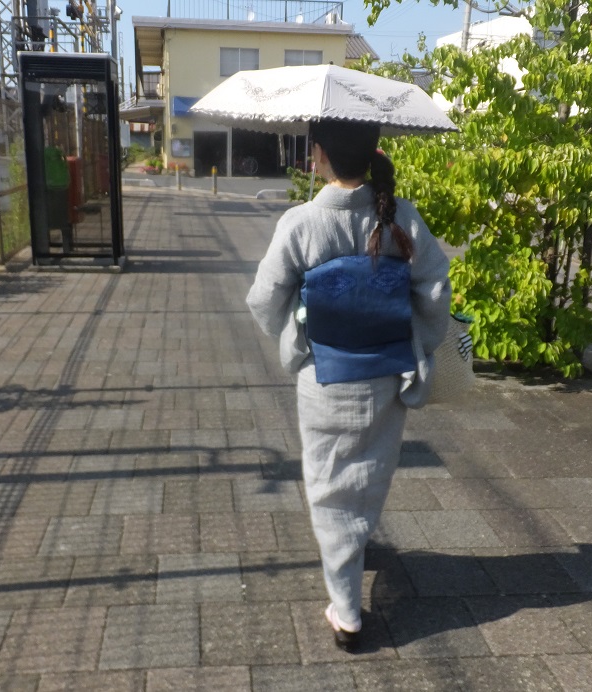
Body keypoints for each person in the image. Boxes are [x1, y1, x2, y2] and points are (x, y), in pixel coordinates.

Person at [246, 119, 452, 652]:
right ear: (372, 152)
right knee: (369, 473)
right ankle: (355, 544)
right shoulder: (401, 216)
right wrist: (418, 344)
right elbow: (434, 289)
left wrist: (296, 335)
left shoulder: (300, 223)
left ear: (318, 155)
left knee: (331, 485)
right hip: (385, 374)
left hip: (325, 376)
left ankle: (346, 611)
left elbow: (264, 300)